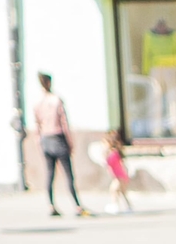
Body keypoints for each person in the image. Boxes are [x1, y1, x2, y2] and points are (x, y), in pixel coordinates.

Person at [30, 74, 89, 218]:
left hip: (45, 139)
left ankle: (51, 205)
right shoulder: (56, 100)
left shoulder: (37, 102)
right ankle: (77, 205)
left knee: (50, 174)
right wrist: (70, 142)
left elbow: (36, 125)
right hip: (58, 137)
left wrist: (39, 142)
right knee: (68, 174)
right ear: (49, 82)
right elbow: (64, 123)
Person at [93, 129, 133, 214]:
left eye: (104, 143)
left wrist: (104, 153)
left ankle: (115, 205)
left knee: (113, 190)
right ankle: (128, 207)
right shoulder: (114, 153)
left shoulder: (113, 154)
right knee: (122, 192)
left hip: (119, 177)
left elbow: (107, 162)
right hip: (120, 176)